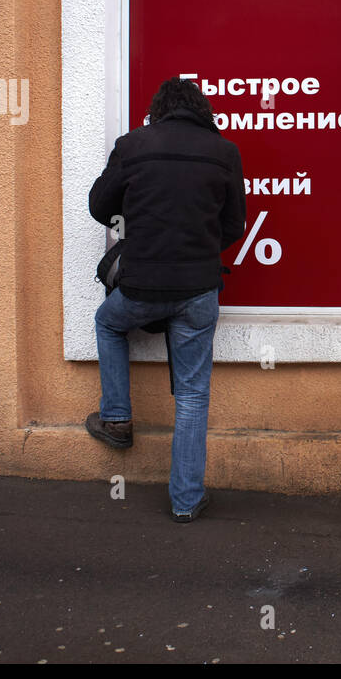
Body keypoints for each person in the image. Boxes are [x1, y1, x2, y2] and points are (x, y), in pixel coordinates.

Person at [86, 77, 246, 522]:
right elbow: (234, 225)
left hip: (142, 287)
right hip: (199, 290)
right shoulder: (224, 151)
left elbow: (100, 206)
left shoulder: (133, 144)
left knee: (108, 323)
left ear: (158, 109)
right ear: (202, 110)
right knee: (193, 396)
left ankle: (117, 417)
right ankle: (186, 500)